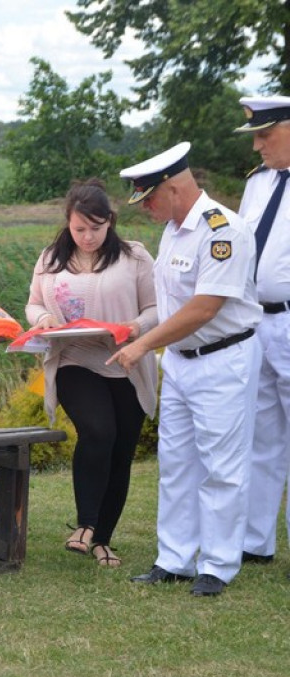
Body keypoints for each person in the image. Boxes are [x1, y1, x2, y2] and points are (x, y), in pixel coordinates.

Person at [109, 142, 262, 597]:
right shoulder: (174, 229)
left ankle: (217, 564)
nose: (147, 209)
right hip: (179, 361)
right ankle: (173, 559)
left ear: (175, 188)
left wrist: (142, 347)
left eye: (150, 199)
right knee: (175, 463)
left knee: (221, 466)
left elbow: (204, 308)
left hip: (222, 358)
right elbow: (172, 304)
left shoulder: (223, 230)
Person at [25, 179, 158, 569]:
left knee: (120, 451)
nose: (87, 237)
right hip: (74, 359)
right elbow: (32, 305)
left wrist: (134, 328)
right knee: (99, 430)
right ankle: (84, 524)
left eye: (96, 229)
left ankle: (103, 540)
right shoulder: (50, 258)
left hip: (126, 362)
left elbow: (155, 309)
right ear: (68, 222)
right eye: (79, 228)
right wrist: (45, 318)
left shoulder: (134, 257)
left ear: (110, 222)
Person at [232, 96, 290, 566]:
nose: (257, 145)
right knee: (262, 434)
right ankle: (256, 540)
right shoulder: (258, 185)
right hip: (258, 319)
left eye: (265, 134)